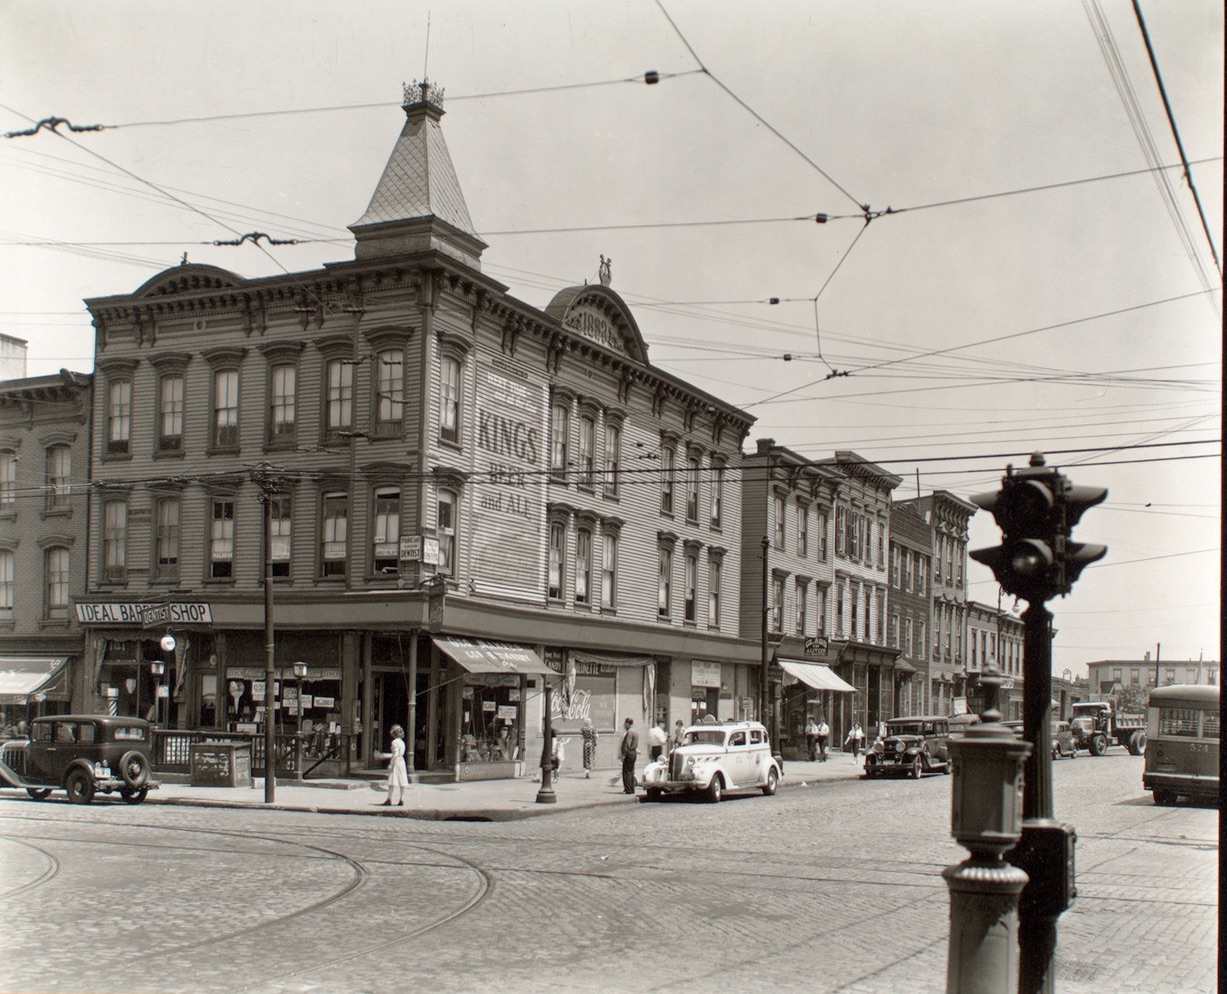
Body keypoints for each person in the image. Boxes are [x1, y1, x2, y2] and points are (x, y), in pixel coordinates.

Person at [379, 724, 409, 806]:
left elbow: (395, 754)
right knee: (402, 780)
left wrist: (391, 764)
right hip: (402, 761)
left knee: (392, 780)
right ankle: (402, 799)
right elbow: (399, 753)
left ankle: (389, 799)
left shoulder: (394, 742)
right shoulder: (402, 742)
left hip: (396, 762)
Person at [620, 717, 639, 794]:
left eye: (625, 724)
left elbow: (627, 744)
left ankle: (628, 789)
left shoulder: (629, 732)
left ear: (628, 723)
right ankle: (632, 788)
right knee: (631, 771)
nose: (624, 725)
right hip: (634, 753)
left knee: (626, 771)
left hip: (629, 753)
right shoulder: (635, 732)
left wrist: (624, 754)